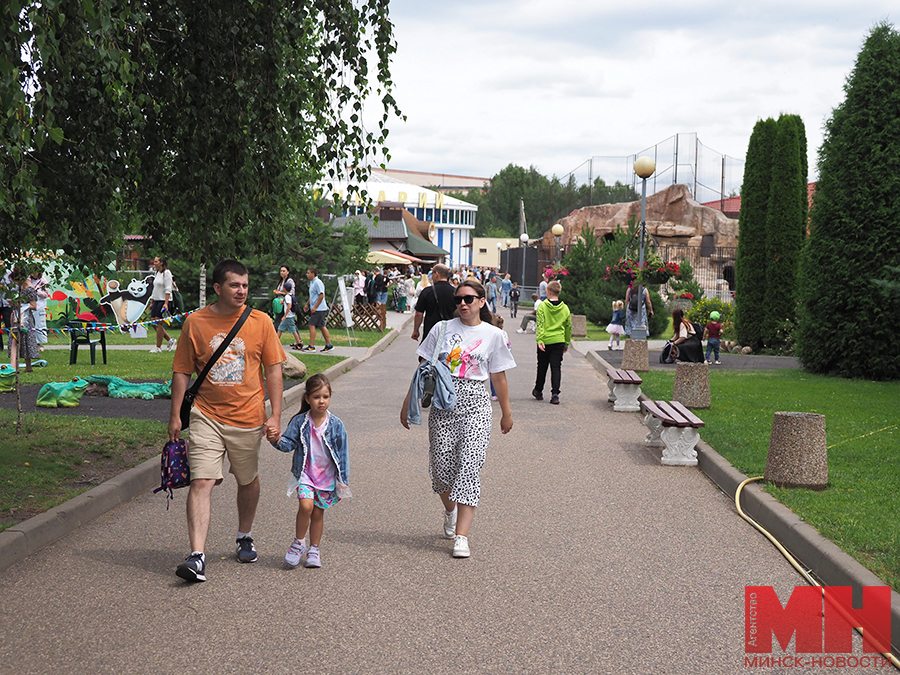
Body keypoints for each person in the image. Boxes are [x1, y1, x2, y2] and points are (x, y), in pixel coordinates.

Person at [168, 259, 285, 583]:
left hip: (247, 417)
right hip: (205, 414)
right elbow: (182, 371)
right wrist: (176, 414)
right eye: (235, 285)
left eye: (245, 285)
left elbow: (273, 370)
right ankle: (197, 556)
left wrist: (275, 414)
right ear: (218, 288)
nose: (241, 291)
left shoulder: (261, 322)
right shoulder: (196, 322)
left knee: (247, 480)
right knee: (201, 481)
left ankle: (244, 534)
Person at [400, 278, 515, 559]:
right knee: (441, 471)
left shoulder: (494, 335)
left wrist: (506, 413)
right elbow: (423, 369)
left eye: (468, 299)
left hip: (477, 404)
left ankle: (461, 537)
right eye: (458, 299)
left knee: (468, 468)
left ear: (481, 301)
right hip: (443, 404)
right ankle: (450, 512)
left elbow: (498, 376)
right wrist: (407, 405)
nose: (462, 303)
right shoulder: (441, 329)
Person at [267, 373, 349, 569]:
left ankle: (314, 548)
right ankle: (298, 543)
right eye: (316, 397)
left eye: (325, 396)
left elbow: (343, 454)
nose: (321, 401)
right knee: (306, 506)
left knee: (318, 513)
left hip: (326, 478)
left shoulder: (336, 425)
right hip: (305, 474)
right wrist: (275, 439)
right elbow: (288, 444)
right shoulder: (300, 422)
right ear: (307, 399)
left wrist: (343, 480)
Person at [532, 280, 571, 405]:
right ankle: (555, 394)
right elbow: (568, 326)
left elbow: (541, 324)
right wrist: (566, 342)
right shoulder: (565, 308)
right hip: (559, 340)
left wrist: (540, 339)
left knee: (542, 366)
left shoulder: (543, 306)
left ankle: (538, 390)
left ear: (548, 291)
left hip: (546, 340)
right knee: (556, 367)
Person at [411, 264, 456, 342]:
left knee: (427, 353)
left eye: (432, 274)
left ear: (437, 274)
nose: (431, 276)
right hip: (450, 331)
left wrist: (416, 330)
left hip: (431, 330)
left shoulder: (427, 292)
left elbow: (419, 313)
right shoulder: (455, 292)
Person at [8, 268, 38, 372]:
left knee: (22, 340)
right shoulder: (21, 288)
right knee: (18, 340)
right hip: (18, 315)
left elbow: (34, 306)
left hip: (25, 318)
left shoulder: (30, 289)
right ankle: (24, 366)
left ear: (20, 279)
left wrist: (19, 305)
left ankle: (18, 367)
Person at [301, 267, 334, 352]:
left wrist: (315, 306)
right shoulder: (312, 283)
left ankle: (311, 346)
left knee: (311, 325)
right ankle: (329, 344)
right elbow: (313, 295)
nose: (307, 274)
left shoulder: (317, 282)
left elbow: (321, 295)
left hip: (319, 308)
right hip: (315, 307)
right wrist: (307, 304)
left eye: (308, 273)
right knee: (321, 326)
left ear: (313, 273)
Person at [149, 256, 177, 353]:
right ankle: (170, 340)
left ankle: (158, 347)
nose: (154, 263)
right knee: (153, 322)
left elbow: (168, 289)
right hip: (156, 300)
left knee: (159, 322)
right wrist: (152, 302)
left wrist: (166, 303)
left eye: (156, 261)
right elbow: (155, 289)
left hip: (163, 301)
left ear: (161, 263)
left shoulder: (167, 273)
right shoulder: (157, 273)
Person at [276, 283, 304, 350]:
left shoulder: (287, 297)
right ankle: (276, 342)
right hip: (290, 316)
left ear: (284, 288)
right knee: (280, 329)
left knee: (293, 330)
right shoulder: (290, 295)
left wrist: (284, 316)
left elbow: (289, 306)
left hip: (289, 316)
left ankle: (299, 342)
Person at [27, 267, 49, 349]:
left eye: (34, 272)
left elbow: (45, 294)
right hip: (29, 305)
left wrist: (36, 291)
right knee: (30, 324)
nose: (32, 274)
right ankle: (31, 343)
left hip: (39, 305)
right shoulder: (28, 280)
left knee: (39, 324)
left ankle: (39, 343)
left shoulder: (43, 281)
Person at [273, 265, 296, 331]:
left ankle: (298, 339)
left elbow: (291, 293)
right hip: (279, 303)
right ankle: (275, 337)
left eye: (284, 271)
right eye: (281, 271)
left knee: (289, 322)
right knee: (278, 321)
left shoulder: (289, 281)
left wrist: (280, 293)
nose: (282, 273)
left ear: (287, 272)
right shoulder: (281, 281)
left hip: (286, 303)